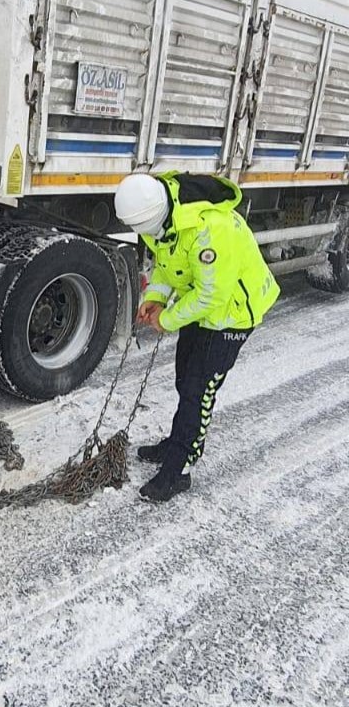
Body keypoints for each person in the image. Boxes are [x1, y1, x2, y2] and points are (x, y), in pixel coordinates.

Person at [114, 171, 280, 502]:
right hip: (200, 309)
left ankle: (179, 469)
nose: (143, 235)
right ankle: (181, 441)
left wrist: (168, 319)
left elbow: (212, 294)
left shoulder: (210, 229)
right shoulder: (164, 222)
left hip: (231, 313)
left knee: (199, 391)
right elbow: (165, 263)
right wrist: (156, 298)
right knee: (184, 380)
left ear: (156, 214)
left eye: (143, 228)